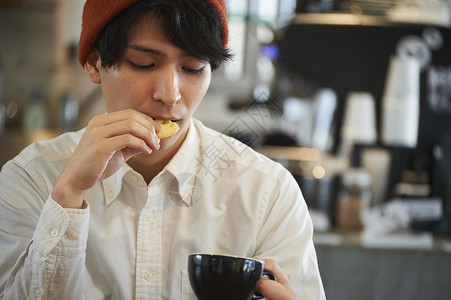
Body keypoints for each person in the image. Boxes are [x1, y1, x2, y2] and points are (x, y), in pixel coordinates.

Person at [0, 0, 325, 299]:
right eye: (144, 63)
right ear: (94, 63)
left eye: (193, 68)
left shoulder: (267, 193)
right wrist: (68, 195)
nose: (170, 95)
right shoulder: (31, 177)